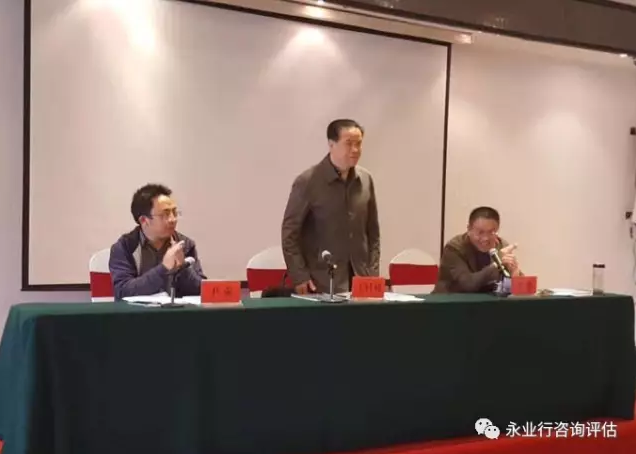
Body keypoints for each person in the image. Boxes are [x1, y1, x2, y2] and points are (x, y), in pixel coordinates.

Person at [281, 119, 381, 294]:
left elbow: (373, 233)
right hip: (321, 281)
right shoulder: (308, 182)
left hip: (361, 279)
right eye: (349, 143)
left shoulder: (366, 180)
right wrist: (300, 275)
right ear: (331, 144)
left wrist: (372, 273)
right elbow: (290, 234)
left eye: (359, 144)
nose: (355, 150)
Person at [109, 183, 206, 299]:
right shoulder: (125, 247)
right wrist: (164, 268)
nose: (172, 219)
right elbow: (122, 292)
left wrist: (182, 268)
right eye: (165, 214)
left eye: (174, 212)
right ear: (144, 220)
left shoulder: (185, 244)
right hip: (138, 310)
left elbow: (201, 290)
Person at [433, 206, 520, 293]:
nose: (485, 238)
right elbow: (467, 285)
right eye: (480, 232)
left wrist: (514, 273)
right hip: (451, 299)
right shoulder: (454, 247)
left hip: (488, 301)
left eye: (491, 232)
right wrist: (497, 264)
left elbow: (517, 288)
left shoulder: (501, 246)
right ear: (469, 229)